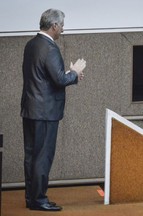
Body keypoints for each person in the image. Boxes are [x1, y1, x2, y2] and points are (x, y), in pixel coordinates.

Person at [21, 8, 86, 211]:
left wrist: (69, 74)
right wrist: (74, 73)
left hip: (30, 110)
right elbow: (58, 80)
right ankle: (39, 200)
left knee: (31, 156)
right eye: (62, 26)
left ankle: (31, 198)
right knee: (43, 156)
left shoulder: (31, 45)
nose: (63, 30)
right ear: (54, 25)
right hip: (46, 113)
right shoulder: (50, 48)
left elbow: (42, 77)